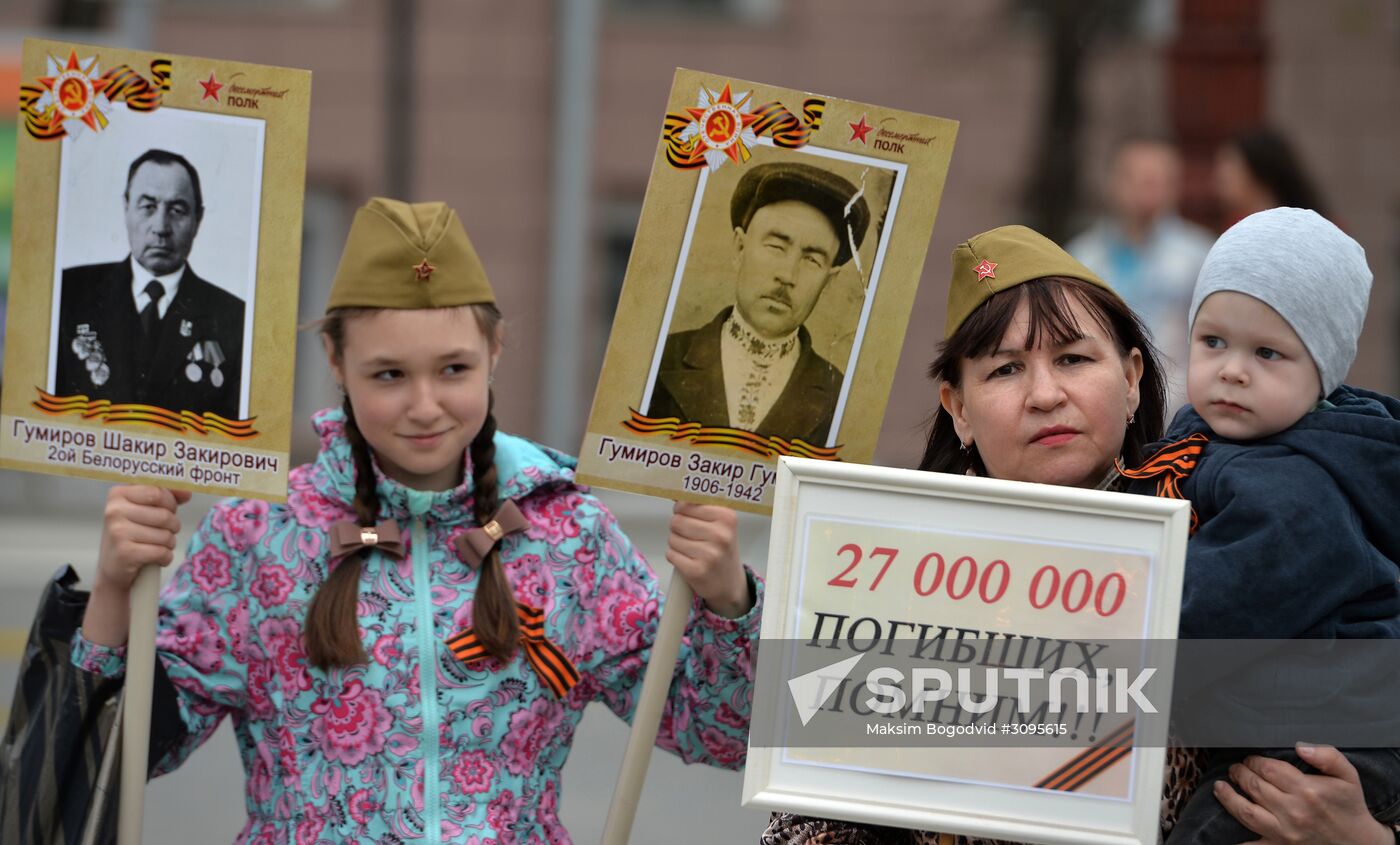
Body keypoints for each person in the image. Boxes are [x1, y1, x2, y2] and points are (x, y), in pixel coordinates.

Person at [73, 198, 761, 842]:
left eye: (453, 368)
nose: (425, 404)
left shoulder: (571, 531)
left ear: (495, 352)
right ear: (337, 363)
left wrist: (730, 600)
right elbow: (114, 761)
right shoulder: (257, 533)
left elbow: (720, 734)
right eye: (389, 375)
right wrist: (113, 585)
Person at [762, 224, 1399, 845]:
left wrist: (1362, 836)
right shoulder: (887, 581)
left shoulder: (1231, 538)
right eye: (1005, 370)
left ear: (1130, 378)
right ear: (958, 408)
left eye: (1072, 358)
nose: (1045, 394)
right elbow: (811, 817)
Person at [1117, 207, 1400, 842]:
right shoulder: (1213, 433)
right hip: (1273, 713)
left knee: (1217, 828)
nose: (1233, 370)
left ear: (1322, 371)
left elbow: (1221, 604)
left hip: (1335, 736)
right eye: (1212, 341)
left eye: (1268, 353)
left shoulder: (1297, 488)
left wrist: (1112, 653)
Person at [647, 161, 870, 446]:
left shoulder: (842, 400)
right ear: (740, 248)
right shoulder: (659, 359)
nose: (787, 275)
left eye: (812, 259)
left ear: (828, 280)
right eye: (776, 247)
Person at [56, 148, 245, 419]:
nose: (160, 227)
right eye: (148, 207)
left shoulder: (235, 319)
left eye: (177, 210)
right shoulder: (68, 292)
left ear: (197, 220)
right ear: (126, 208)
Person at [1067, 137, 1215, 408]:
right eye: (1136, 178)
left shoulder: (1201, 256)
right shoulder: (1081, 257)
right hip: (1100, 401)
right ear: (1112, 182)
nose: (1147, 189)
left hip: (1179, 406)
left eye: (1158, 179)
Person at [1214, 127, 1329, 228]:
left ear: (1259, 171)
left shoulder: (1318, 228)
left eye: (1230, 163)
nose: (1220, 174)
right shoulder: (1230, 228)